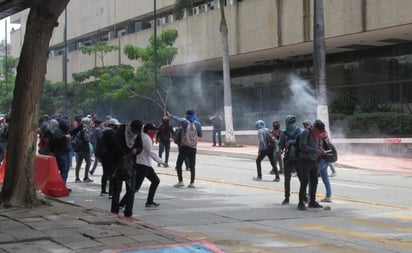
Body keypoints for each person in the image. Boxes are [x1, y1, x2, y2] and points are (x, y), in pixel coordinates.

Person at [111, 119, 143, 217]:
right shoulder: (122, 130)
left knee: (131, 190)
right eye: (134, 130)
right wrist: (124, 153)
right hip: (119, 163)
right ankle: (114, 211)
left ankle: (128, 212)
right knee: (117, 189)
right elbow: (115, 144)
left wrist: (136, 150)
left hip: (130, 165)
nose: (135, 133)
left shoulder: (137, 134)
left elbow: (140, 146)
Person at [135, 123, 168, 208]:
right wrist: (161, 162)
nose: (154, 132)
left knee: (155, 181)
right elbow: (151, 152)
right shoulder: (146, 138)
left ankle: (150, 201)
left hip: (145, 164)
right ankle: (122, 203)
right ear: (148, 130)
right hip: (143, 164)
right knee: (136, 187)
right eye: (153, 130)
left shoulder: (141, 137)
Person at [167, 110, 202, 188]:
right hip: (193, 147)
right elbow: (200, 134)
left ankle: (180, 182)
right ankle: (192, 183)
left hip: (184, 147)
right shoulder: (198, 124)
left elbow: (177, 119)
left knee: (179, 164)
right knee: (192, 166)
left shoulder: (184, 122)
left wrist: (170, 115)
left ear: (187, 115)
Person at [297, 119, 326, 210]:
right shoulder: (306, 132)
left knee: (314, 181)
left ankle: (312, 201)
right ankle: (301, 202)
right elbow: (302, 146)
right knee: (304, 181)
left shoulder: (317, 136)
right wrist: (315, 150)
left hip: (314, 160)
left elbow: (318, 145)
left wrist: (321, 150)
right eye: (319, 132)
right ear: (315, 128)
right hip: (305, 160)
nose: (319, 134)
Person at [277, 115, 304, 205]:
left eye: (293, 122)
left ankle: (304, 196)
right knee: (287, 179)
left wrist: (291, 142)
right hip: (288, 158)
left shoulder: (300, 131)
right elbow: (280, 144)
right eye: (290, 123)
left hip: (298, 157)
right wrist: (280, 149)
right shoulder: (284, 133)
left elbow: (303, 142)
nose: (291, 124)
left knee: (302, 178)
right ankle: (287, 197)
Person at [96, 118, 121, 196]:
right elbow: (115, 145)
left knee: (105, 173)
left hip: (104, 156)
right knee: (112, 174)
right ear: (112, 125)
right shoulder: (112, 133)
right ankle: (111, 192)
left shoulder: (102, 132)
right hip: (111, 156)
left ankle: (103, 190)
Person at [49, 119, 72, 184]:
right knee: (63, 169)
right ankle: (61, 185)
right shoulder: (58, 131)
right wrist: (64, 137)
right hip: (60, 152)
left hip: (66, 151)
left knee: (66, 169)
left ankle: (63, 184)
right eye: (66, 124)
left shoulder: (66, 131)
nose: (68, 125)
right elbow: (56, 140)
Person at [71, 117, 93, 183]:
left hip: (79, 148)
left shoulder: (80, 128)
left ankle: (77, 178)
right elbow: (86, 138)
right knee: (88, 162)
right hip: (84, 147)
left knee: (79, 163)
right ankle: (86, 177)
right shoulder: (86, 128)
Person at [319, 130, 333, 202]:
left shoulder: (320, 136)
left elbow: (319, 147)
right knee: (325, 179)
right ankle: (328, 196)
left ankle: (309, 195)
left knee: (311, 177)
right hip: (326, 159)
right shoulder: (325, 134)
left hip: (321, 159)